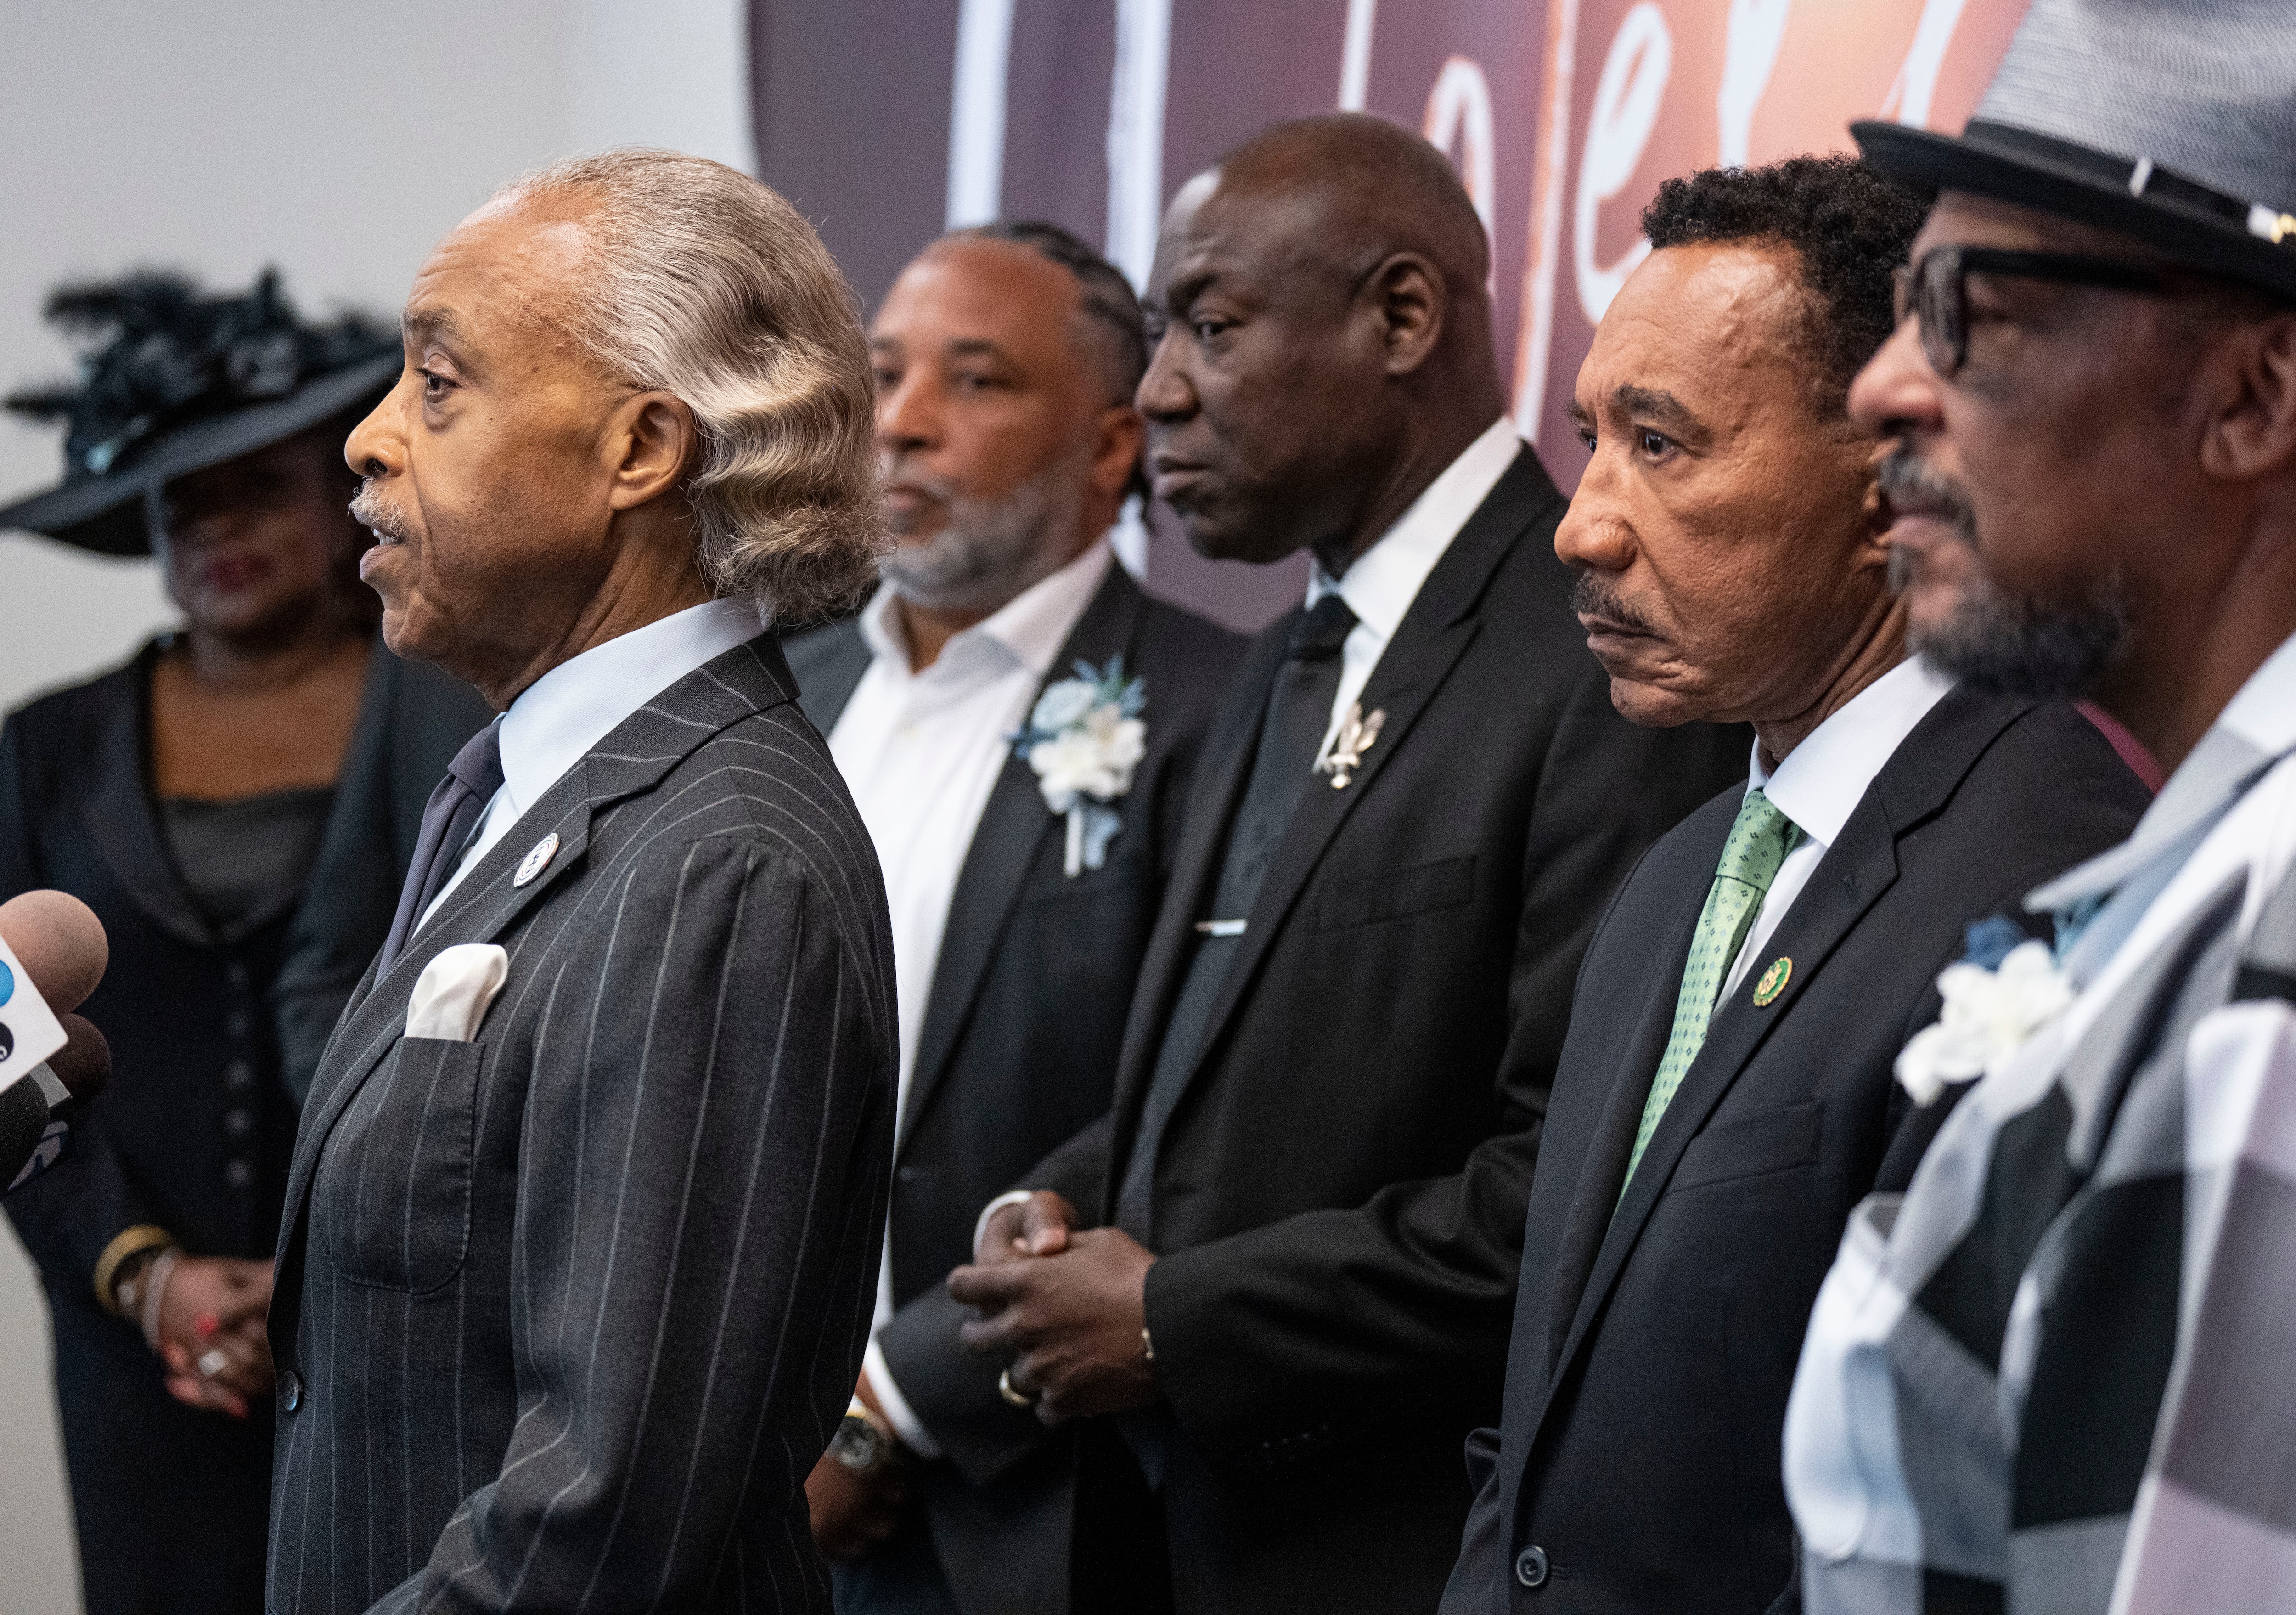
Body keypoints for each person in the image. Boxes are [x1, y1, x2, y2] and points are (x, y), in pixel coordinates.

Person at [924, 113, 1750, 1613]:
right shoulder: (1293, 650)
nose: (1160, 385)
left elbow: (1563, 1193)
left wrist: (1179, 1319)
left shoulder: (1598, 658)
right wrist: (1051, 1209)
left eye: (1212, 326)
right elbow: (1221, 1084)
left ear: (1402, 316)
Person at [1437, 157, 2152, 1615]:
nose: (1583, 523)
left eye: (1663, 443)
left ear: (1893, 478)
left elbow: (1978, 1492)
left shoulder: (2054, 872)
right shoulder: (1675, 879)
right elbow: (1543, 1426)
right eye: (1590, 441)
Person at [262, 149, 898, 1614]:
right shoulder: (522, 782)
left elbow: (598, 1519)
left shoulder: (716, 862)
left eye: (437, 383)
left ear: (641, 450)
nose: (367, 440)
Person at [1778, 2, 2296, 1610]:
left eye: (1970, 311)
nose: (1880, 391)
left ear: (2257, 399)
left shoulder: (2268, 968)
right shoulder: (2219, 896)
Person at [0, 271, 489, 1615]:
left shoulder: (456, 717)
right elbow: (2, 1041)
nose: (217, 529)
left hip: (405, 1325)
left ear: (336, 499)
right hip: (137, 1348)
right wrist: (145, 1275)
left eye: (254, 489)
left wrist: (332, 1275)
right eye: (180, 505)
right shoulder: (48, 748)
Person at [785, 221, 1243, 1613]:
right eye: (885, 374)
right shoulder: (779, 691)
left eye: (975, 382)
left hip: (1030, 1499)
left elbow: (1197, 1105)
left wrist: (893, 1403)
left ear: (1113, 447)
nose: (905, 425)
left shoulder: (1217, 713)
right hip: (724, 1481)